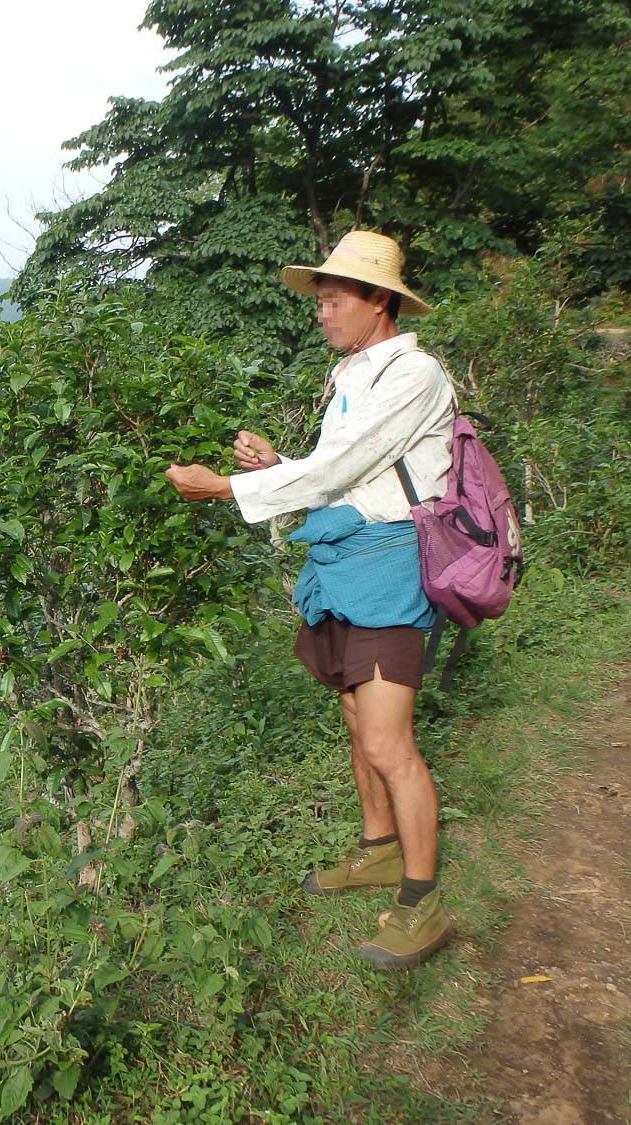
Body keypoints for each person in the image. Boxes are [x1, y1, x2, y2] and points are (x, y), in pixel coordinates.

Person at [164, 230, 456, 970]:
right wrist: (281, 466)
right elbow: (346, 473)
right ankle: (377, 850)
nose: (320, 314)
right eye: (320, 300)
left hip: (388, 570)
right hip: (343, 564)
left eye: (333, 300)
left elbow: (351, 466)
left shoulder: (413, 374)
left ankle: (423, 902)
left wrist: (228, 486)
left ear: (378, 300)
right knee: (358, 720)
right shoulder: (357, 372)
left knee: (390, 739)